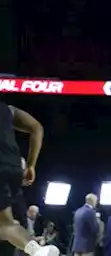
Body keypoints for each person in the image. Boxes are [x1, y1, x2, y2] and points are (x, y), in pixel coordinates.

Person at [0, 102, 55, 256]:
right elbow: (36, 127)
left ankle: (37, 251)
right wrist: (31, 165)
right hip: (14, 166)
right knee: (8, 225)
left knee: (5, 226)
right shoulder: (7, 109)